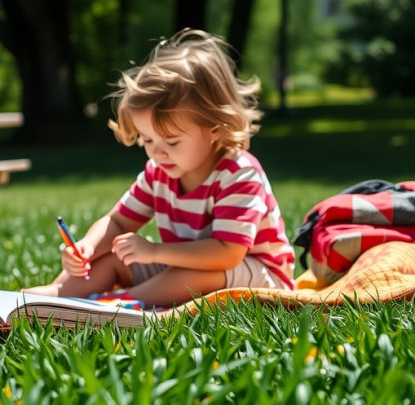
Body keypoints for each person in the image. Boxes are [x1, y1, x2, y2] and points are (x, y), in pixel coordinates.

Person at [24, 30, 294, 308]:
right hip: (178, 266)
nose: (157, 151)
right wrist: (88, 247)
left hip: (260, 277)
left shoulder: (238, 174)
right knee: (114, 257)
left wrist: (154, 251)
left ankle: (116, 303)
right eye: (148, 139)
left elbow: (228, 253)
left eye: (172, 141)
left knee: (197, 274)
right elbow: (118, 223)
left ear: (215, 127)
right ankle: (51, 297)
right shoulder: (159, 171)